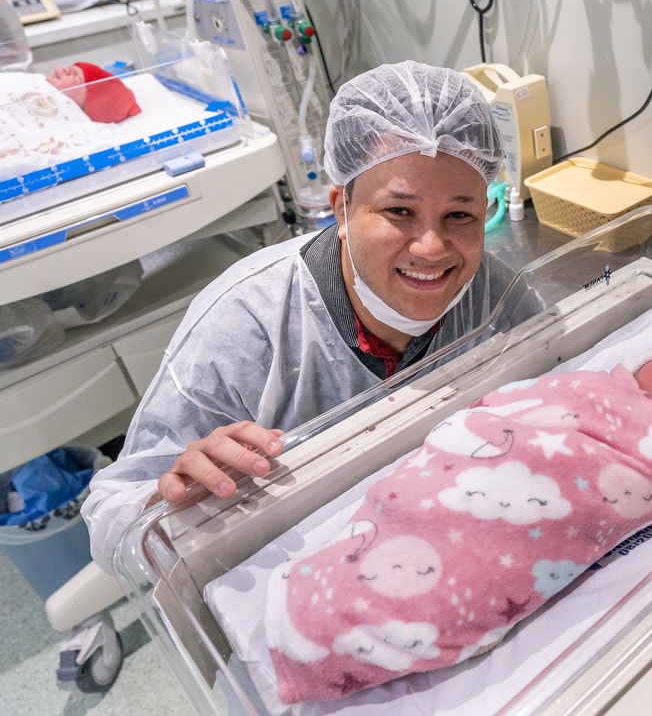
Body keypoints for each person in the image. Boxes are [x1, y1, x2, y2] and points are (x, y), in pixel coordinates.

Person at [82, 62, 507, 575]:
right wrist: (171, 502)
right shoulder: (245, 326)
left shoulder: (494, 294)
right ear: (342, 210)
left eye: (460, 214)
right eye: (399, 211)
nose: (432, 248)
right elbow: (112, 528)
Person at [263, 339, 652, 704]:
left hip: (544, 502)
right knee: (417, 508)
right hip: (483, 468)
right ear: (636, 367)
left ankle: (336, 628)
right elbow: (524, 404)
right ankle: (323, 599)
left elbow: (651, 484)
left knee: (471, 569)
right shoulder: (591, 386)